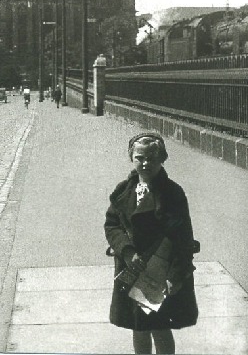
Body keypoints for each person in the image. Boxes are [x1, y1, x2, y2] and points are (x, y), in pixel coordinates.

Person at [104, 133, 198, 354]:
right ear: (132, 158)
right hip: (132, 268)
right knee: (138, 327)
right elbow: (112, 225)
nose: (145, 163)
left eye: (152, 158)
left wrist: (175, 276)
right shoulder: (123, 190)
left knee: (160, 327)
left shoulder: (172, 193)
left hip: (160, 270)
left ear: (162, 159)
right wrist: (126, 251)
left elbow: (183, 238)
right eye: (140, 157)